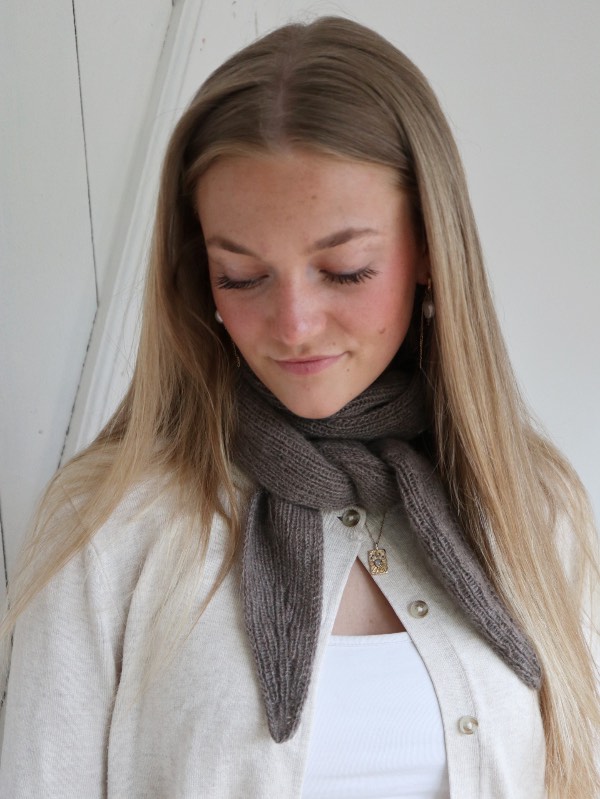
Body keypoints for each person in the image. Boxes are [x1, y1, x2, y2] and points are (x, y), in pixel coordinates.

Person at [0, 15, 598, 799]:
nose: (293, 326)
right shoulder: (108, 522)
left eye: (345, 269)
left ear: (428, 250)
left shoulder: (531, 507)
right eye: (242, 277)